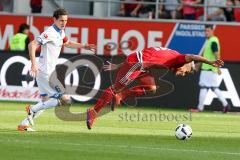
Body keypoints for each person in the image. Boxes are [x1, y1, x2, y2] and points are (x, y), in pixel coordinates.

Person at [86, 46, 224, 130]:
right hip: (137, 64)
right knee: (114, 88)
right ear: (187, 64)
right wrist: (210, 62)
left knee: (151, 88)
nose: (182, 74)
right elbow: (192, 56)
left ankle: (121, 96)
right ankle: (94, 111)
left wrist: (120, 65)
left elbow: (148, 52)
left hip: (141, 65)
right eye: (185, 71)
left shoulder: (172, 55)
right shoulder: (179, 58)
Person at [17, 8, 96, 131]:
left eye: (65, 20)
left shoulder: (61, 32)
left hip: (45, 72)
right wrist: (33, 64)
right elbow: (31, 45)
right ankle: (32, 109)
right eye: (61, 20)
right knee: (65, 100)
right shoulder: (50, 32)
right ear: (54, 19)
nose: (64, 23)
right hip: (46, 73)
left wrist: (84, 46)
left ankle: (24, 124)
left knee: (45, 101)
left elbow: (68, 43)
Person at [191, 25, 230, 113]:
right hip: (211, 69)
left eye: (208, 31)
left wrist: (218, 66)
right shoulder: (211, 41)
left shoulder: (212, 41)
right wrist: (200, 64)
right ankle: (226, 105)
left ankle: (200, 108)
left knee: (203, 87)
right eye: (205, 31)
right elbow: (207, 55)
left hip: (208, 68)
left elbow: (216, 53)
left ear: (212, 31)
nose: (206, 33)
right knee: (214, 88)